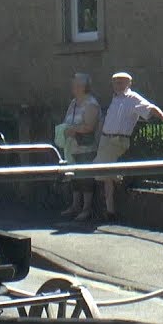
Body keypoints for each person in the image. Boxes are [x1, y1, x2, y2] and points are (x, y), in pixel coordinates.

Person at [95, 71, 163, 218]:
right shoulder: (115, 99)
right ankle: (110, 208)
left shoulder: (132, 98)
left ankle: (111, 203)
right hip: (106, 140)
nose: (117, 85)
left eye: (121, 82)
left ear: (128, 84)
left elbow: (150, 107)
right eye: (115, 82)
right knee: (103, 174)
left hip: (117, 141)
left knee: (101, 172)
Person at [58, 73, 102, 221]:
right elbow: (67, 120)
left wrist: (74, 130)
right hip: (72, 146)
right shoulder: (73, 103)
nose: (73, 87)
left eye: (76, 85)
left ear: (83, 87)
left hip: (86, 146)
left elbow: (89, 126)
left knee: (85, 178)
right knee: (74, 177)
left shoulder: (91, 104)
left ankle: (86, 208)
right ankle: (75, 205)